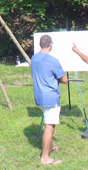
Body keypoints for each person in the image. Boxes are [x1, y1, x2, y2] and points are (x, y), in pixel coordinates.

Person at [31, 34, 68, 166]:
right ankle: (45, 158)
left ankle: (50, 146)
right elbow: (64, 79)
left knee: (48, 120)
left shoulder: (34, 58)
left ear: (40, 44)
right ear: (51, 44)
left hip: (39, 96)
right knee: (49, 127)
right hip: (50, 97)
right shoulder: (53, 61)